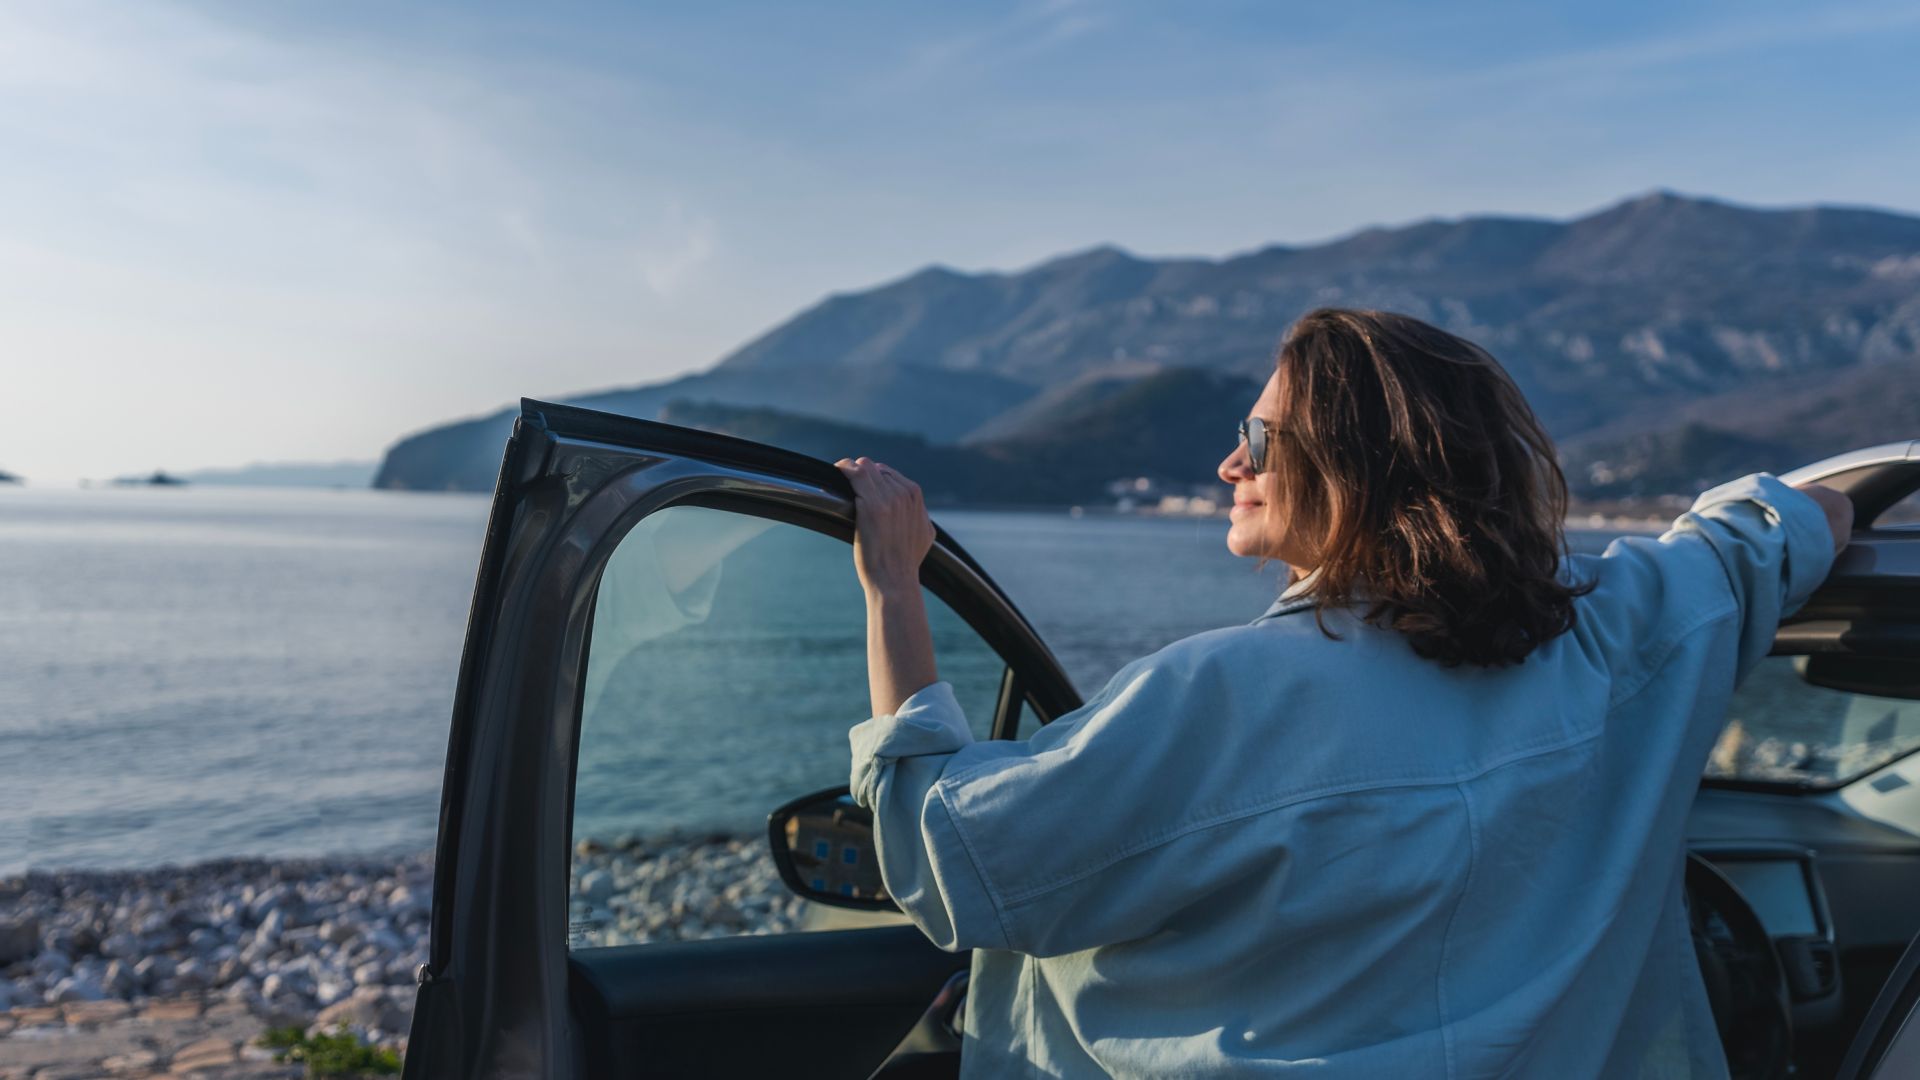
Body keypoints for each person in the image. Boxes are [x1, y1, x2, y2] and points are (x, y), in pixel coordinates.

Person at [832, 307, 1853, 1078]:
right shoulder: (1625, 631)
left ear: (1362, 468)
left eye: (1262, 439)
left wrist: (894, 588)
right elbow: (1799, 518)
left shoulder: (1222, 698)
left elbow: (949, 859)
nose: (1231, 461)